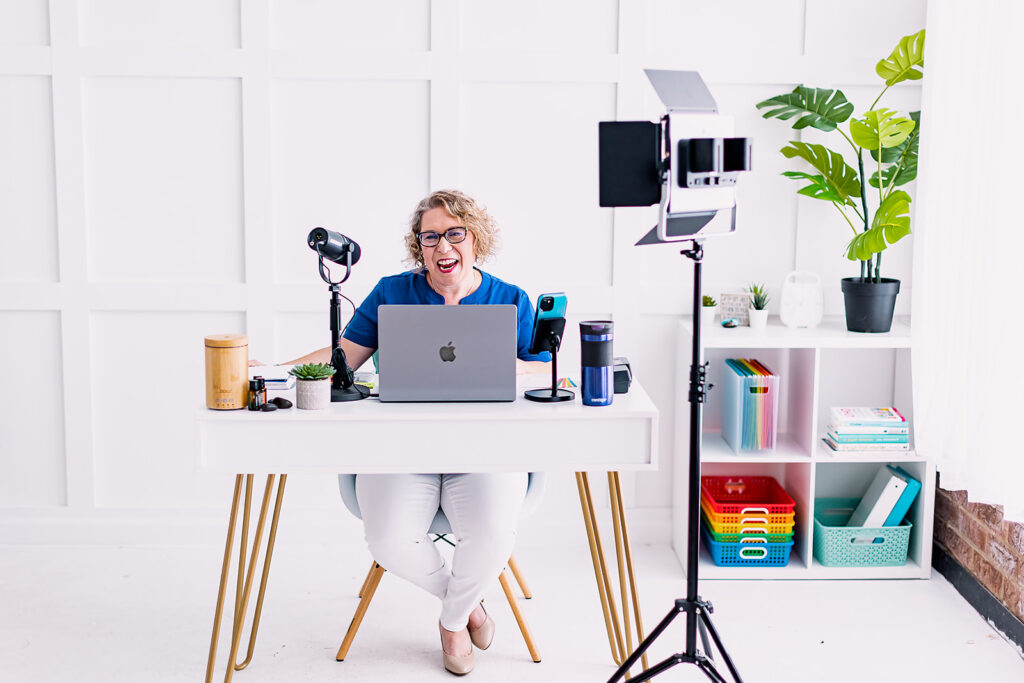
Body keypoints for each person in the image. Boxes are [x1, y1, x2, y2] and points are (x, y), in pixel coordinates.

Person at [284, 190, 550, 675]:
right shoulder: (392, 290)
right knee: (387, 538)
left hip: (487, 448)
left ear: (475, 239)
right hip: (399, 447)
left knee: (492, 534)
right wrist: (276, 371)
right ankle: (469, 607)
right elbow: (343, 358)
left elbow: (545, 373)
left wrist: (496, 366)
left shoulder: (511, 298)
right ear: (419, 245)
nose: (443, 247)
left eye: (455, 233)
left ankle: (451, 626)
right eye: (430, 237)